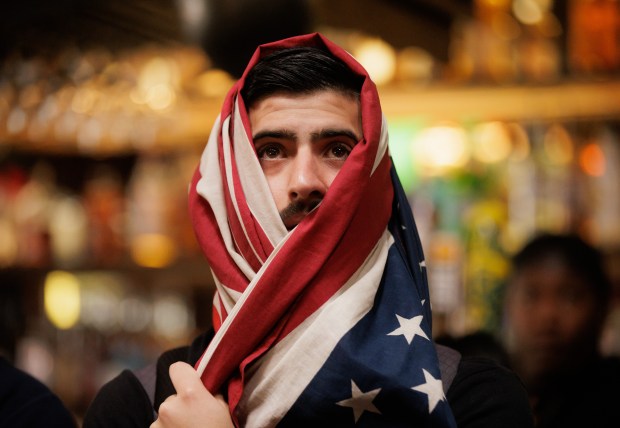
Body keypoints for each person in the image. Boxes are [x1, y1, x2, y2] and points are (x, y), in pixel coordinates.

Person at [84, 33, 532, 428]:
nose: (304, 182)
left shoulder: (473, 401)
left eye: (337, 149)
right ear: (228, 181)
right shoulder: (135, 407)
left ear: (374, 182)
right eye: (272, 150)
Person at [504, 233, 620, 428]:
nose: (547, 316)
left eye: (570, 297)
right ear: (508, 303)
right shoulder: (480, 392)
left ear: (602, 308)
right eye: (531, 295)